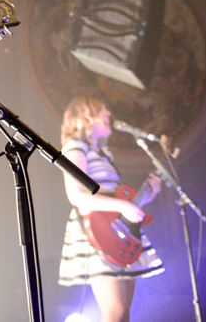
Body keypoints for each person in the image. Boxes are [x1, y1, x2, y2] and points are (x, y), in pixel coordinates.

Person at [58, 96, 164, 322]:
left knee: (124, 313)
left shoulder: (105, 154)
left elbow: (116, 200)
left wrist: (147, 196)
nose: (108, 115)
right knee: (114, 312)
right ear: (84, 117)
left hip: (117, 229)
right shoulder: (75, 147)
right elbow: (76, 195)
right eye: (102, 111)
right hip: (97, 231)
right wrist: (123, 205)